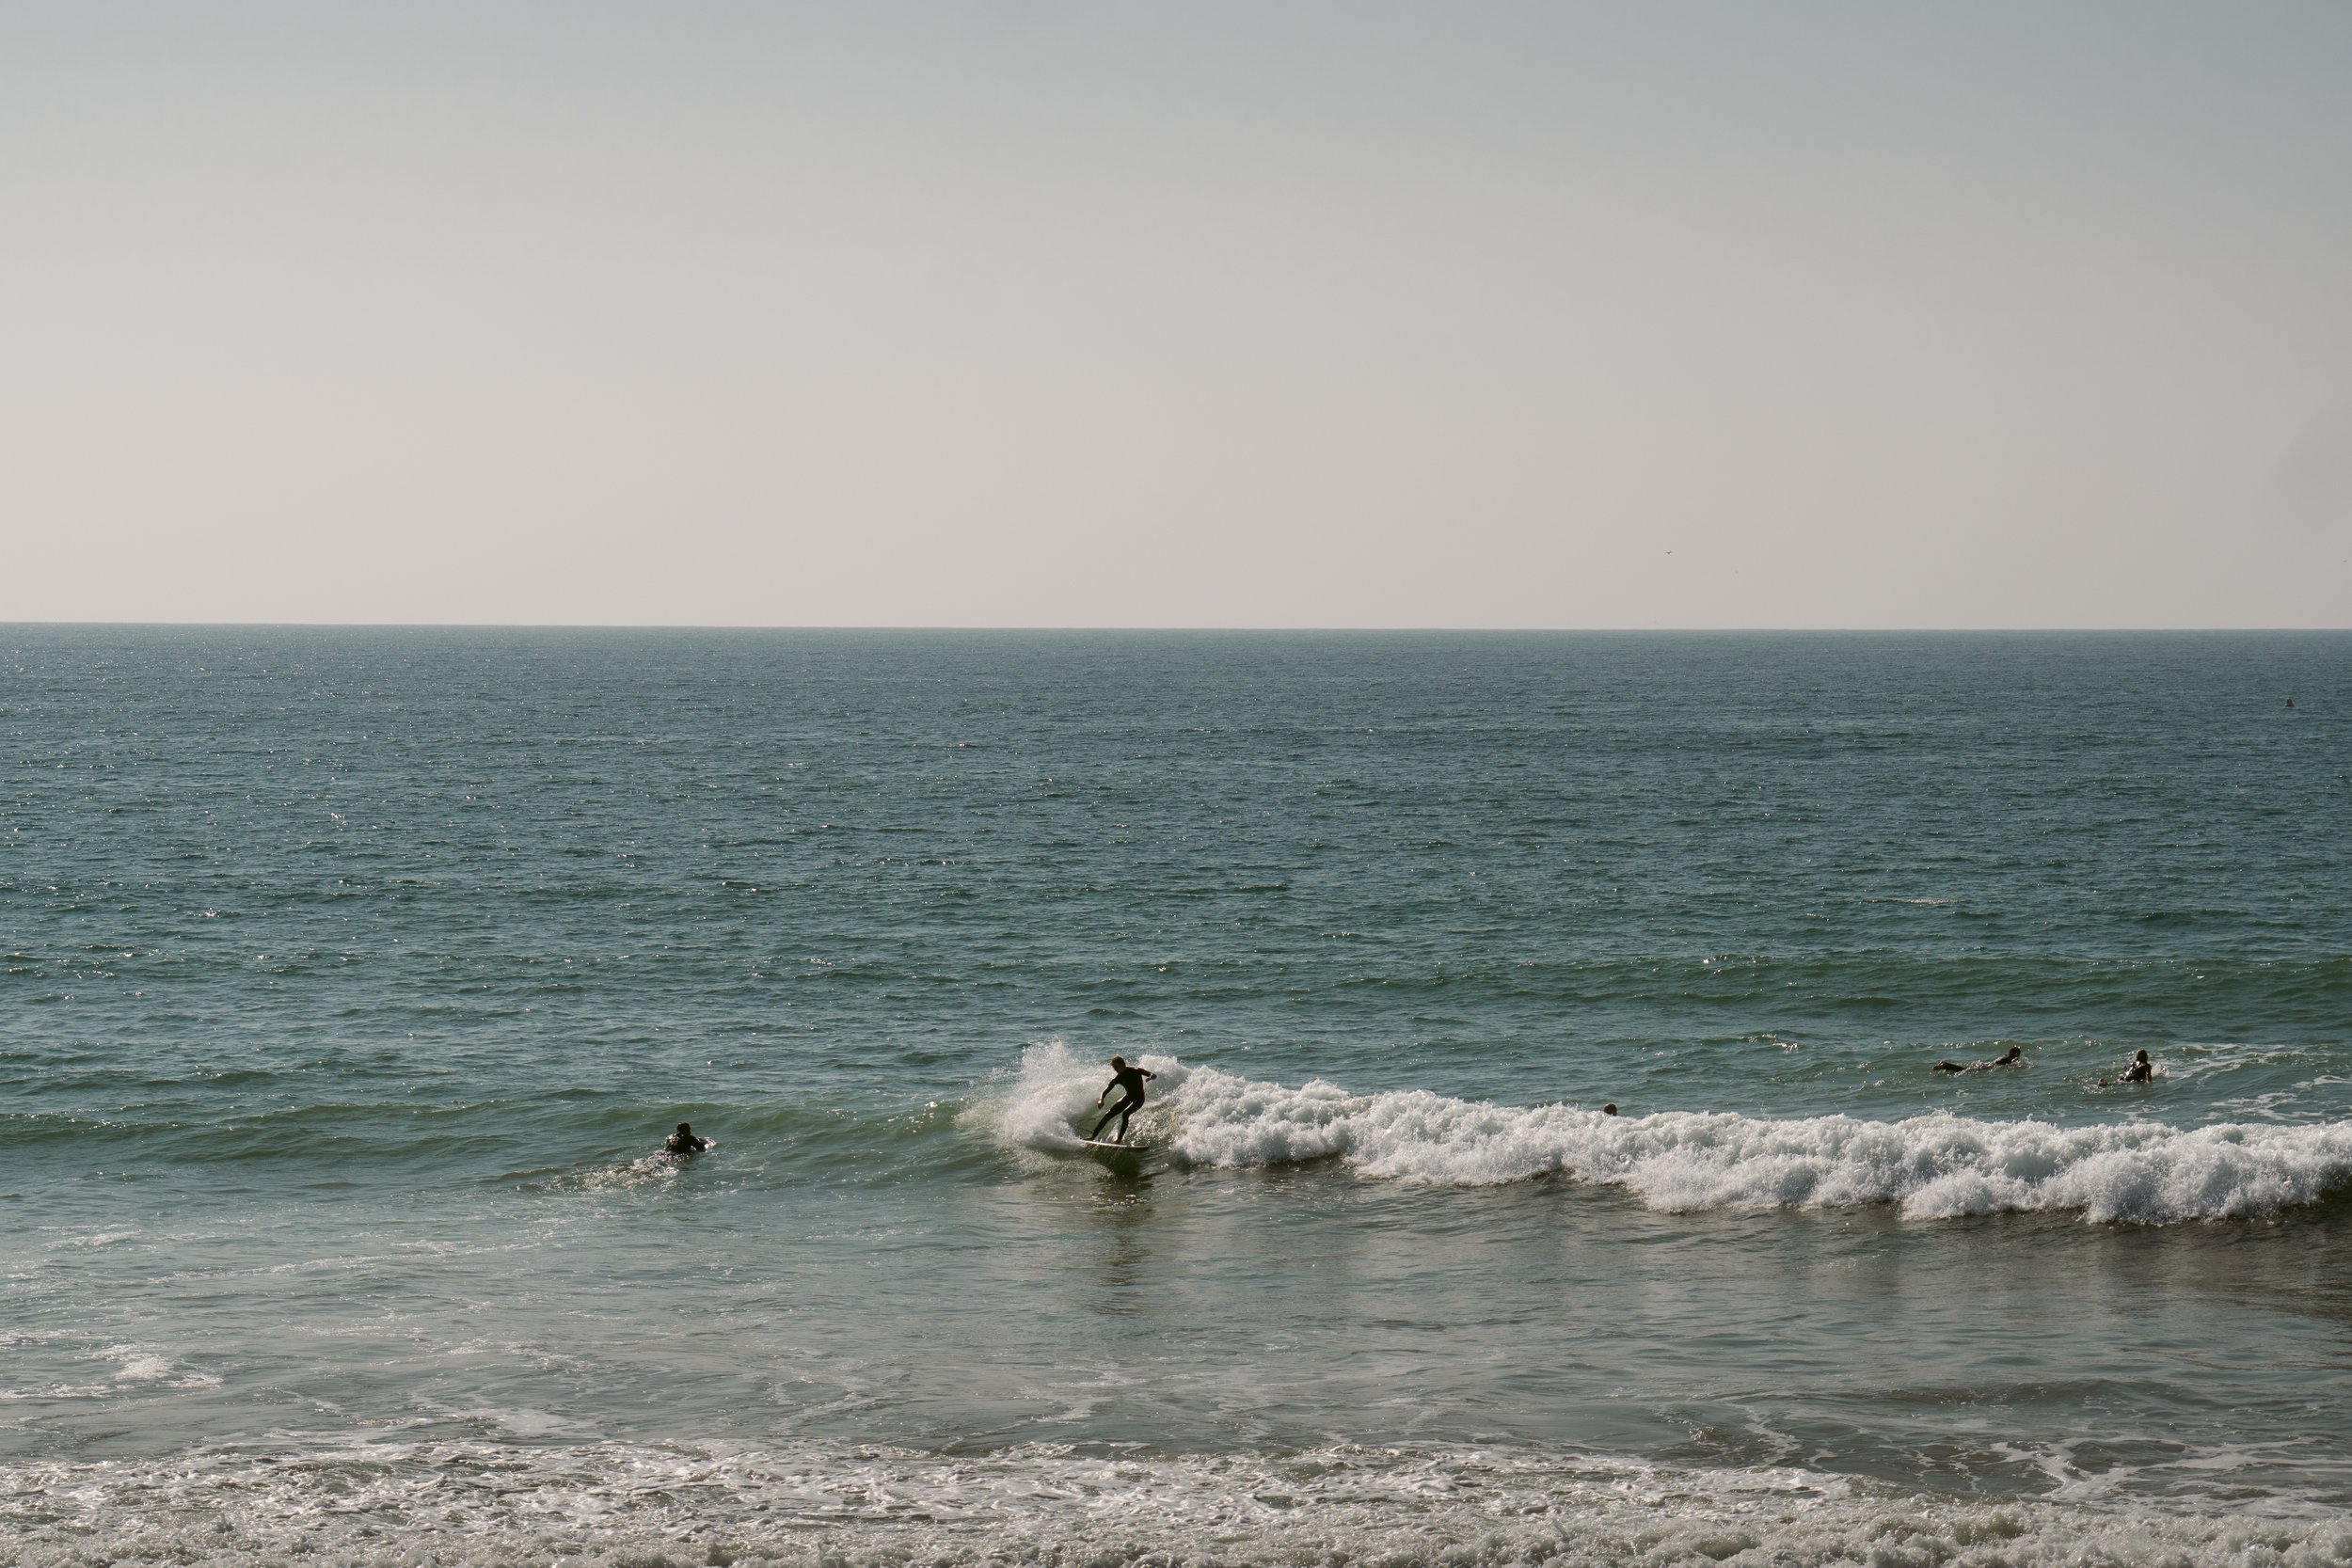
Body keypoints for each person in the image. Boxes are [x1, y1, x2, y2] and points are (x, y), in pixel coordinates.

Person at [1089, 1056, 1155, 1144]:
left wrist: (1150, 1077)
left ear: (1123, 1064)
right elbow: (1105, 1091)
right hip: (1128, 1097)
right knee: (1108, 1115)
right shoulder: (1118, 1078)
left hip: (1139, 1099)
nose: (1115, 1069)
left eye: (1116, 1067)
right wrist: (1101, 1100)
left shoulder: (1136, 1070)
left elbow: (1153, 1075)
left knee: (1125, 1114)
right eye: (1114, 1068)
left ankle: (1119, 1140)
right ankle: (1093, 1137)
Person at [1932, 1046, 2025, 1073]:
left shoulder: (2005, 1056)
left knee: (1965, 1069)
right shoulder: (2011, 1058)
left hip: (1987, 1064)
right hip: (1989, 1066)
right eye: (2018, 1054)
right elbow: (2014, 1062)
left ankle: (1945, 1065)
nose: (2019, 1056)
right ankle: (1945, 1065)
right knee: (1964, 1070)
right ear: (2015, 1053)